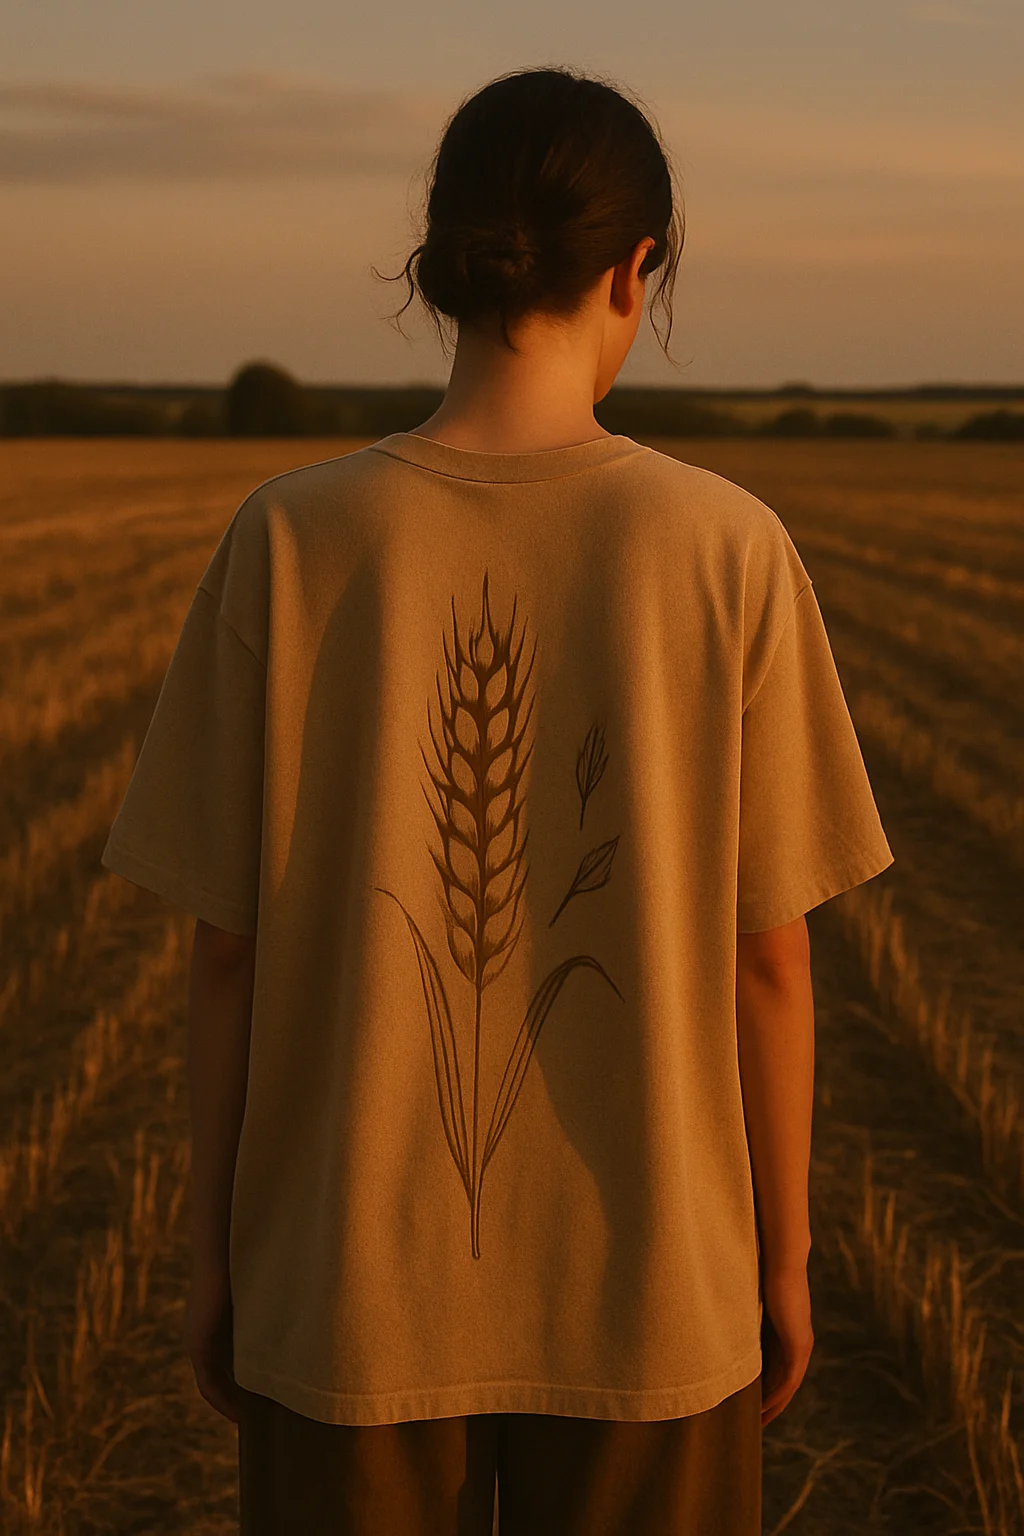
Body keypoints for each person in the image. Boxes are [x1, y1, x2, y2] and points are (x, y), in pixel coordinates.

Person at [101, 64, 894, 1536]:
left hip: (347, 1306)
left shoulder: (286, 541)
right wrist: (780, 1263)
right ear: (637, 268)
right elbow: (768, 959)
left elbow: (227, 953)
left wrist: (215, 1258)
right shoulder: (731, 550)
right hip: (654, 1311)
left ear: (445, 257)